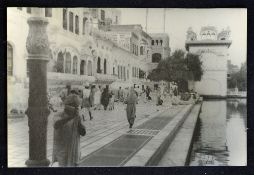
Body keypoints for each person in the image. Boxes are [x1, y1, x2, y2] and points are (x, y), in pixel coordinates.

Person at [52, 89, 83, 167]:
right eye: (74, 106)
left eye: (77, 106)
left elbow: (83, 132)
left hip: (74, 151)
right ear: (67, 105)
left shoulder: (77, 117)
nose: (76, 108)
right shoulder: (59, 115)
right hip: (62, 151)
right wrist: (70, 117)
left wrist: (79, 122)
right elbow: (56, 124)